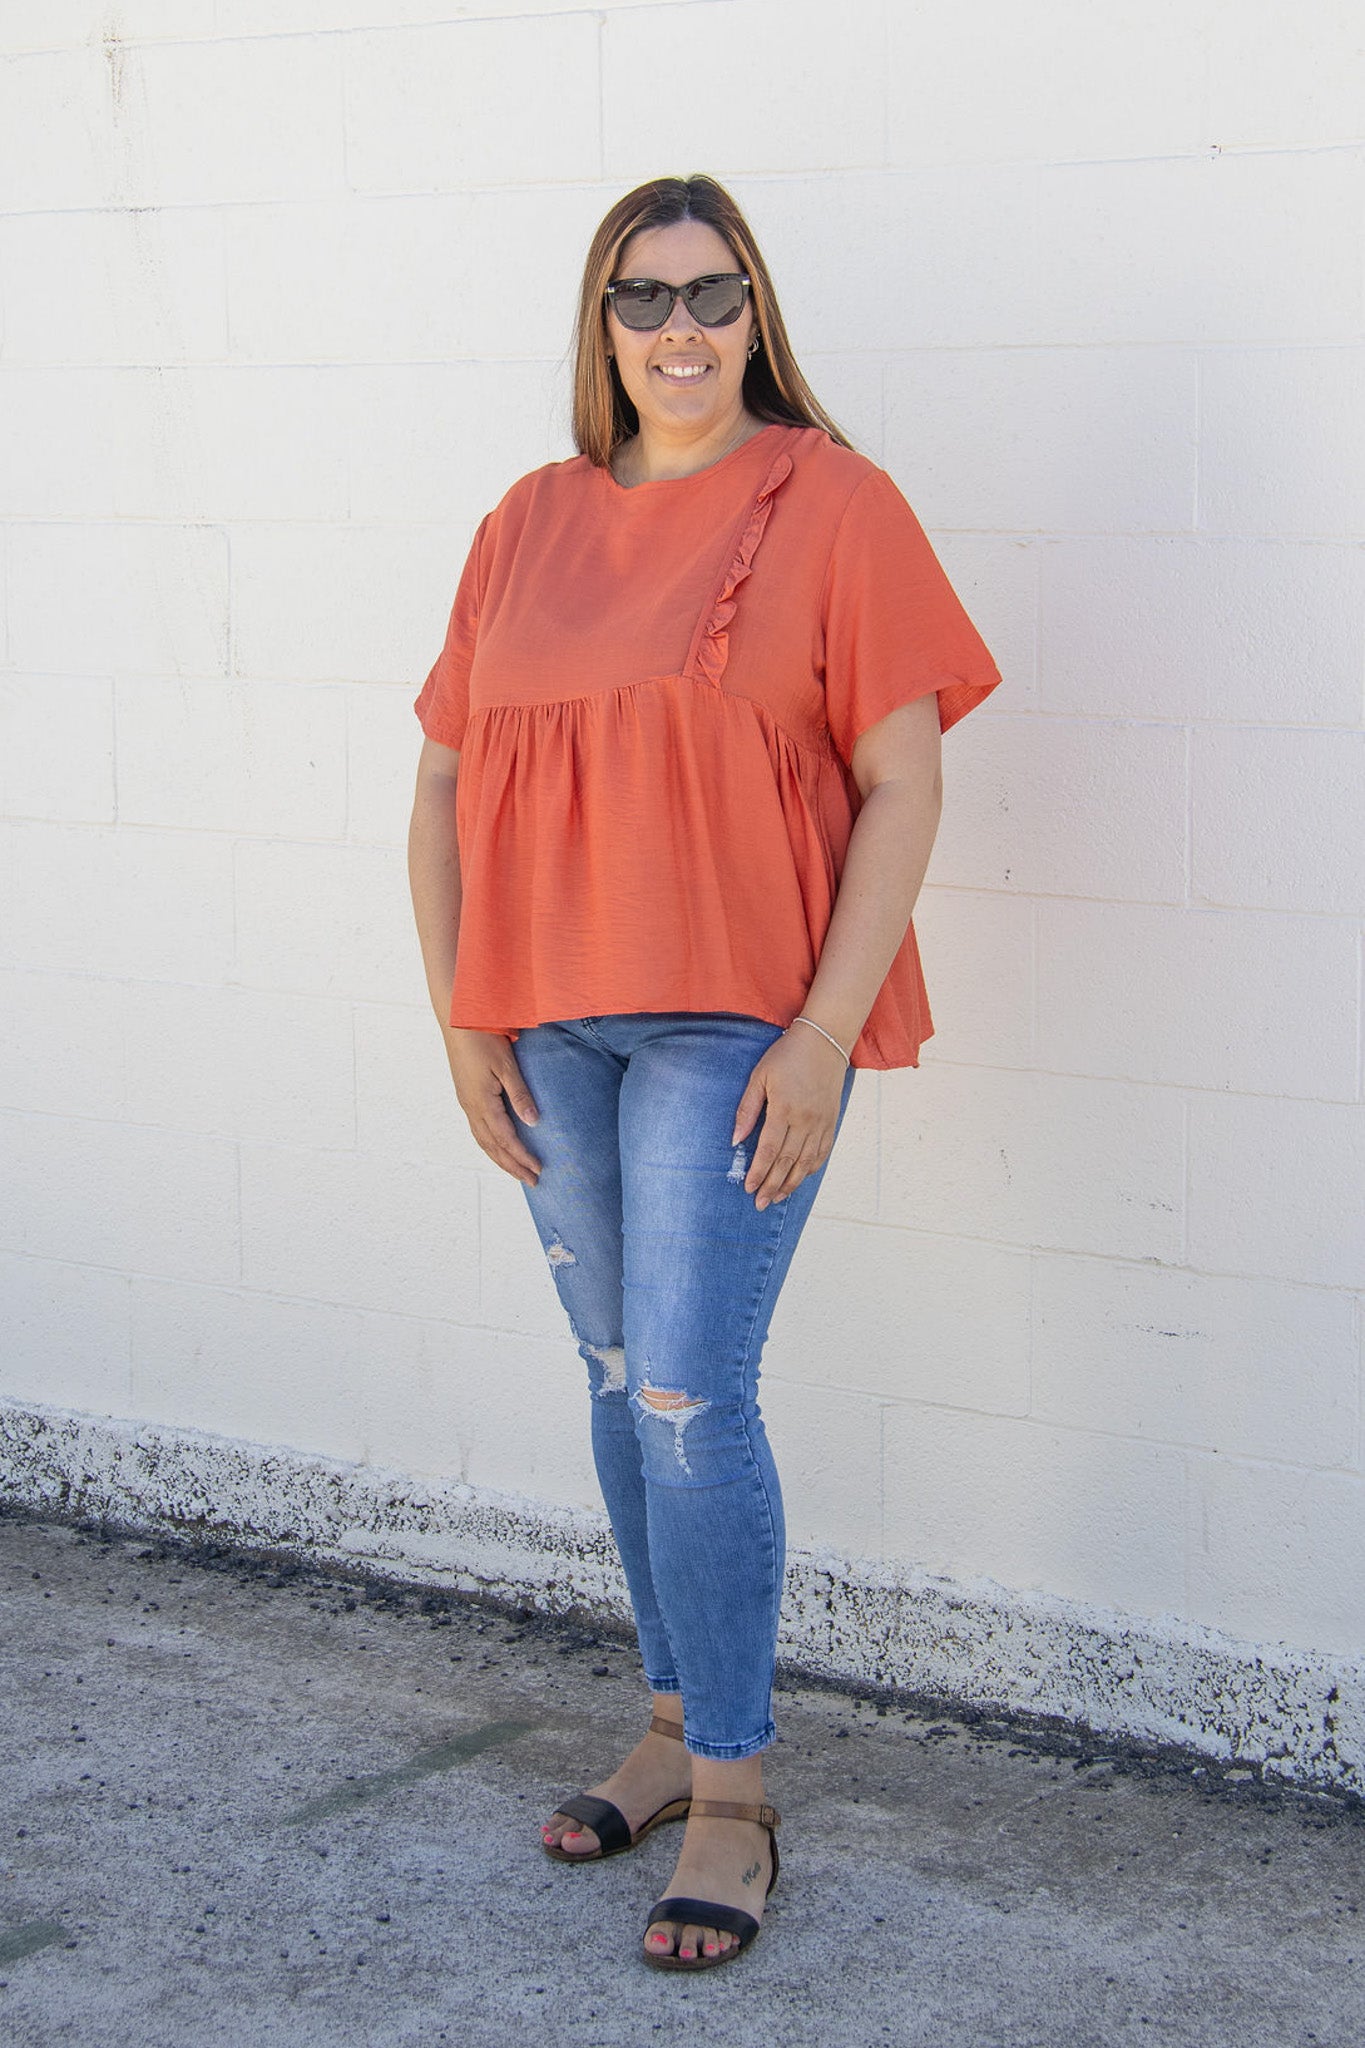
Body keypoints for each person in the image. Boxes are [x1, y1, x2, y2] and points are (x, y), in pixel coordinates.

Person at [407, 173, 1001, 1972]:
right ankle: (667, 1727)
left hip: (731, 1022)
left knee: (687, 1398)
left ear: (758, 312)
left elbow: (903, 779)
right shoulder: (524, 521)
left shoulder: (832, 501)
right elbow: (441, 786)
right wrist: (459, 1015)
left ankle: (736, 1796)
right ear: (599, 324)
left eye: (714, 295)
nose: (682, 331)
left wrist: (821, 1034)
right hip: (544, 1018)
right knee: (611, 1385)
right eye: (644, 298)